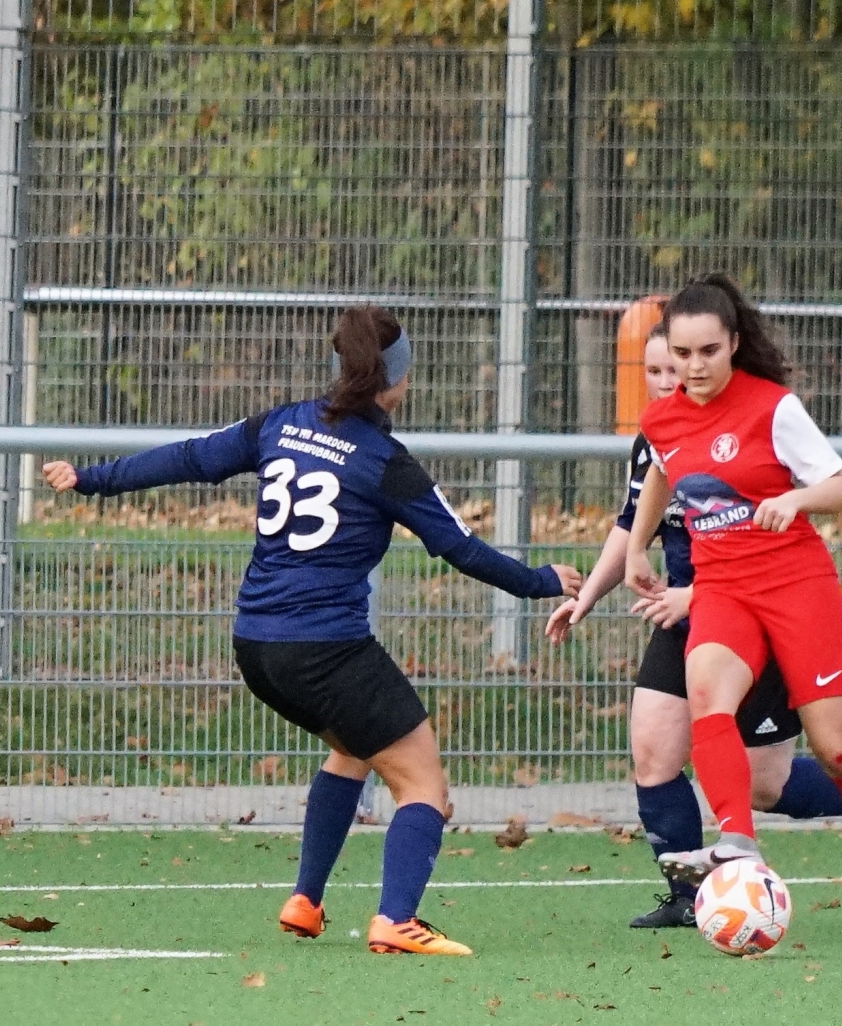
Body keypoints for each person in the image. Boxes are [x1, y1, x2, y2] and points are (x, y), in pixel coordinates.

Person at [44, 306, 580, 956]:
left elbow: (190, 458)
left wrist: (92, 479)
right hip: (325, 649)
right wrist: (543, 579)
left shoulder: (281, 422)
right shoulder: (385, 460)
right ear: (398, 382)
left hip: (256, 647)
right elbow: (460, 547)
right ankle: (397, 921)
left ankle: (306, 901)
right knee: (422, 785)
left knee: (355, 749)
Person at [623, 273, 842, 941]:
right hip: (723, 588)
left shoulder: (773, 408)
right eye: (683, 355)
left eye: (709, 352)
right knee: (708, 695)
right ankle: (736, 842)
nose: (695, 368)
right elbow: (663, 471)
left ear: (733, 344)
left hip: (796, 587)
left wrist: (794, 500)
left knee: (838, 751)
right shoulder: (662, 416)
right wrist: (638, 547)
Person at [547, 324, 842, 930]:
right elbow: (629, 525)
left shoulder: (745, 420)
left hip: (750, 609)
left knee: (766, 787)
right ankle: (691, 897)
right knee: (653, 750)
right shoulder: (656, 433)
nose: (673, 381)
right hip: (681, 617)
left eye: (683, 367)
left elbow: (747, 529)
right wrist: (588, 595)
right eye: (659, 370)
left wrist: (695, 594)